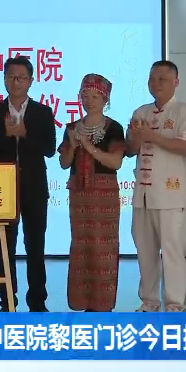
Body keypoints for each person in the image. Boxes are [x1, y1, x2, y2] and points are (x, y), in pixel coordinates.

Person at [0, 56, 57, 312]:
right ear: (4, 79)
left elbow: (49, 149)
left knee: (35, 245)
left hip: (34, 187)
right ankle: (7, 300)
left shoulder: (42, 112)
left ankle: (37, 300)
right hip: (2, 188)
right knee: (5, 246)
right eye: (11, 77)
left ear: (30, 81)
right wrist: (7, 134)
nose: (16, 82)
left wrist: (24, 134)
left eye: (22, 77)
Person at [125, 60, 186, 312]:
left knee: (172, 251)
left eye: (162, 79)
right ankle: (149, 301)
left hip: (170, 195)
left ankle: (175, 303)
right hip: (142, 194)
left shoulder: (184, 112)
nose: (156, 84)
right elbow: (130, 150)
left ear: (176, 82)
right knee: (144, 251)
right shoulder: (141, 112)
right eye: (152, 79)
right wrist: (135, 137)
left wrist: (152, 136)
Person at [59, 74, 126, 312]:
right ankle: (81, 301)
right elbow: (64, 163)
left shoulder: (114, 128)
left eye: (95, 96)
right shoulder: (71, 128)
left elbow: (116, 162)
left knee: (103, 247)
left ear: (105, 99)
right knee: (81, 245)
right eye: (85, 95)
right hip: (80, 194)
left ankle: (102, 304)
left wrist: (88, 147)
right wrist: (73, 146)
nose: (89, 101)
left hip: (104, 193)